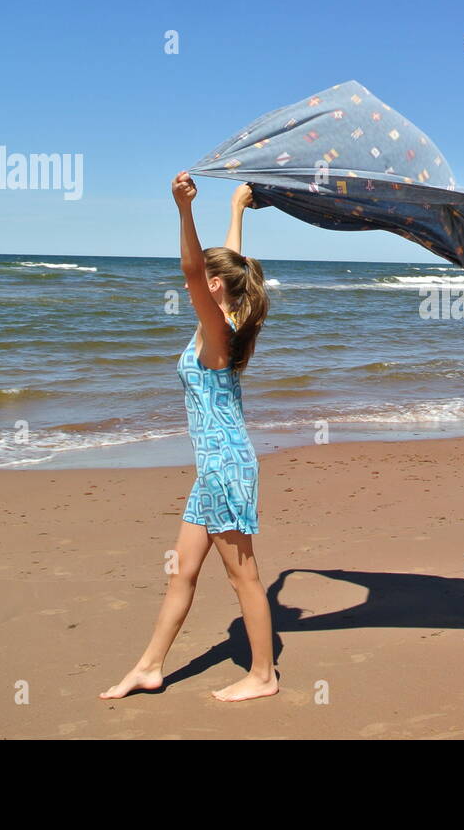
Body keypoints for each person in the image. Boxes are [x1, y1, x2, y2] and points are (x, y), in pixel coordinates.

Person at [100, 173, 277, 702]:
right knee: (182, 572)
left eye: (203, 281)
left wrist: (182, 210)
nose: (190, 285)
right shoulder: (226, 316)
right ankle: (150, 667)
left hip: (225, 468)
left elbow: (194, 267)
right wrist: (236, 209)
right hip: (214, 469)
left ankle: (263, 675)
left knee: (243, 577)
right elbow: (232, 266)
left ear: (213, 287)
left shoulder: (218, 331)